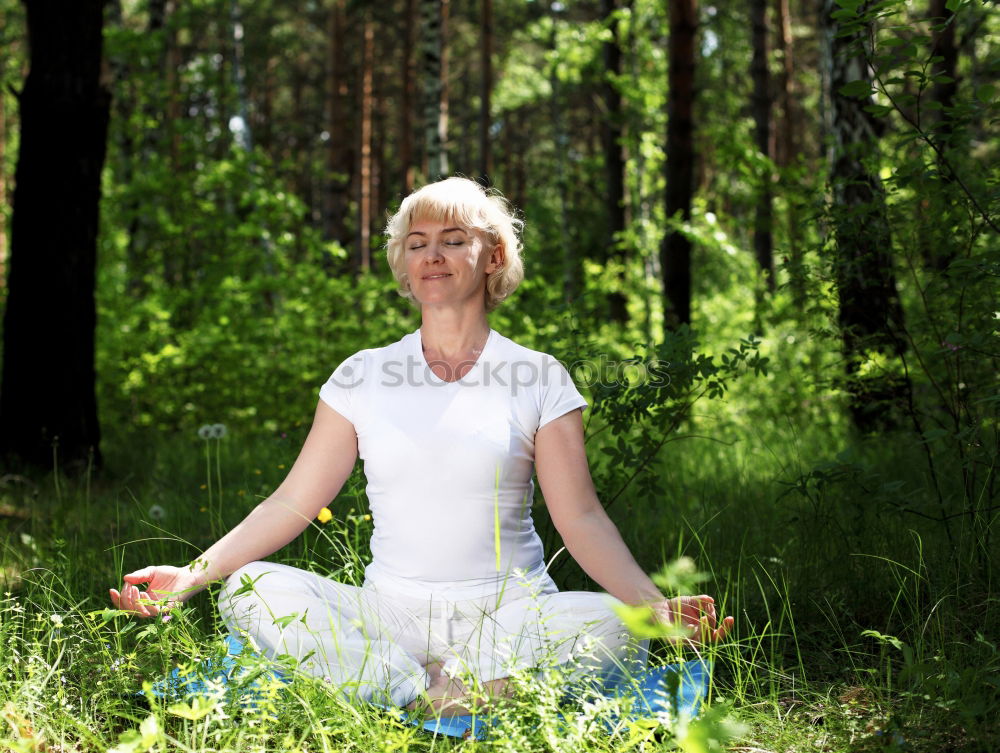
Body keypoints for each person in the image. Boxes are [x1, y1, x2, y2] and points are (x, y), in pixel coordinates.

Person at [109, 177, 733, 716]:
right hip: (392, 617)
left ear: (493, 257)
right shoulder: (361, 375)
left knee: (614, 629)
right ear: (404, 266)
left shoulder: (538, 376)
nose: (433, 255)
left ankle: (407, 693)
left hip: (509, 617)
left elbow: (583, 517)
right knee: (249, 590)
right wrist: (191, 577)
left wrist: (652, 607)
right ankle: (428, 691)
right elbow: (292, 502)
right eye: (417, 244)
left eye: (454, 240)